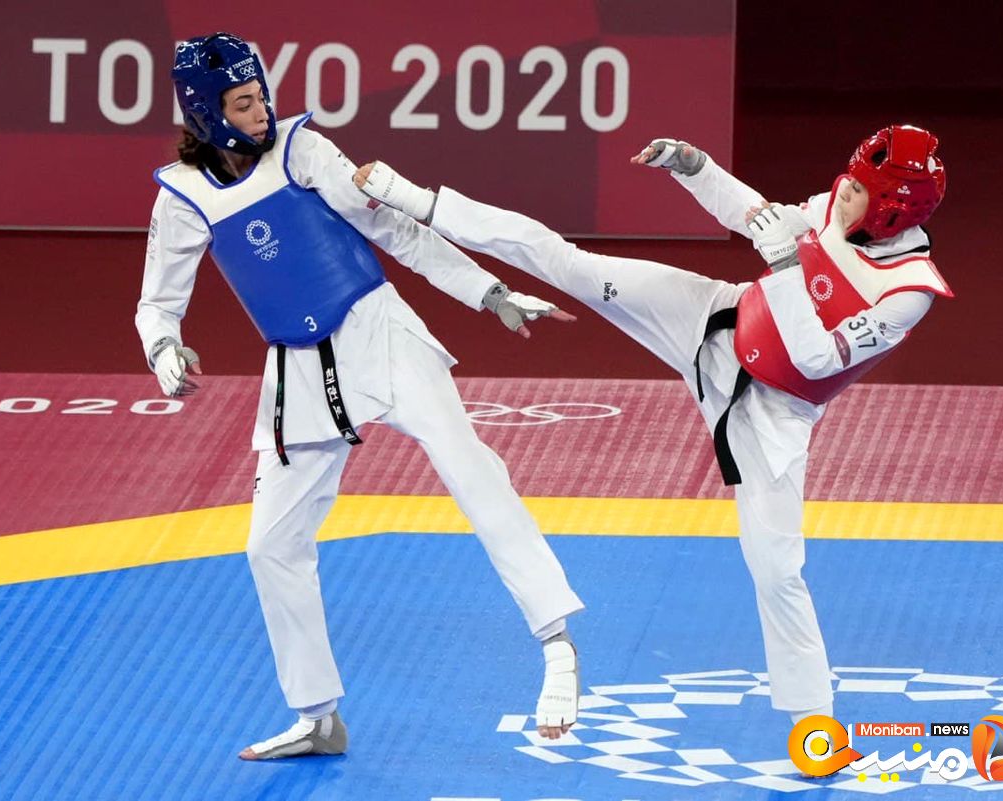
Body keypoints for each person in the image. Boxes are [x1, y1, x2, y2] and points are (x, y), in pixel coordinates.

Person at [353, 124, 952, 729]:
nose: (841, 193)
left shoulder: (909, 292)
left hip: (773, 410)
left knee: (776, 567)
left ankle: (814, 719)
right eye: (848, 181)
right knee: (570, 263)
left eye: (858, 192)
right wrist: (696, 169)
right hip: (717, 316)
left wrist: (785, 266)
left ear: (893, 212)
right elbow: (759, 216)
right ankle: (421, 200)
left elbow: (815, 359)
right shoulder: (837, 203)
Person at [135, 32, 585, 760]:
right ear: (206, 113)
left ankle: (557, 643)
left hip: (379, 333)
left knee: (471, 468)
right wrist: (164, 350)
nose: (260, 111)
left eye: (260, 96)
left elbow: (395, 228)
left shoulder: (304, 151)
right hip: (297, 370)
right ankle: (318, 716)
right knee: (271, 546)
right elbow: (158, 302)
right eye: (243, 104)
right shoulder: (182, 197)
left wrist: (489, 292)